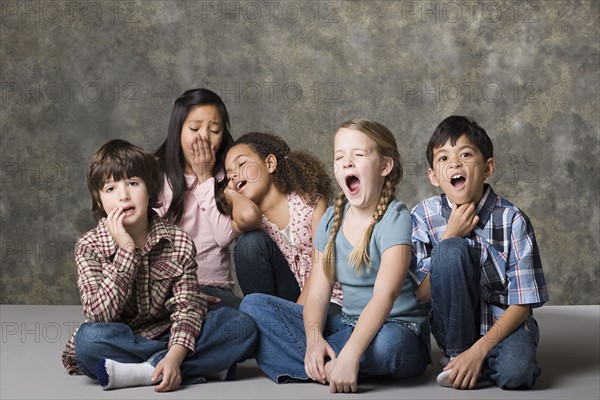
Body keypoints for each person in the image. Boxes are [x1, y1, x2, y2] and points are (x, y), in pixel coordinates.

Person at [239, 119, 430, 393]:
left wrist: (351, 353)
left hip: (398, 329)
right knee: (254, 307)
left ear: (385, 166)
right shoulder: (331, 220)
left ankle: (329, 363)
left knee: (390, 345)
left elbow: (384, 296)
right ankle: (328, 364)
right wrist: (315, 340)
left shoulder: (395, 218)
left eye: (359, 155)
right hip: (348, 325)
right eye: (340, 157)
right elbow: (317, 294)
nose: (347, 163)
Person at [61, 139, 257, 392]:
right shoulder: (89, 245)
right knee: (87, 342)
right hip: (120, 337)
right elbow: (99, 316)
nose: (124, 196)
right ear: (99, 201)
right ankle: (199, 366)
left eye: (133, 183)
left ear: (150, 190)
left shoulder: (177, 240)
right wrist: (126, 252)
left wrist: (174, 357)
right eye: (110, 189)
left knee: (242, 327)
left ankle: (144, 371)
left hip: (169, 331)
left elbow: (188, 309)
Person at [411, 115, 549, 389]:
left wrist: (480, 350)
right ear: (433, 176)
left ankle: (472, 362)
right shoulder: (423, 216)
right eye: (443, 159)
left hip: (504, 325)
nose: (454, 164)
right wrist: (449, 236)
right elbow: (420, 296)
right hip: (452, 328)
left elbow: (522, 303)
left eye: (465, 154)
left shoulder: (513, 220)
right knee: (450, 250)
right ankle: (458, 357)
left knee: (516, 374)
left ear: (488, 167)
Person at [154, 88, 251, 309]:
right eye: (194, 128)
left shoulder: (228, 174)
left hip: (215, 289)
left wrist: (206, 177)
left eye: (214, 130)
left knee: (243, 324)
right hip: (166, 289)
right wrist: (180, 291)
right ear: (177, 130)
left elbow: (224, 236)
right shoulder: (156, 173)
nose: (204, 138)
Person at [224, 132, 342, 309]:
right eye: (229, 176)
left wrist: (298, 316)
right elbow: (248, 214)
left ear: (270, 163)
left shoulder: (311, 203)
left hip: (325, 296)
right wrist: (231, 195)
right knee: (249, 243)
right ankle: (268, 321)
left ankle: (281, 331)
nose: (233, 176)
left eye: (241, 164)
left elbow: (322, 265)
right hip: (286, 299)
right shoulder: (248, 220)